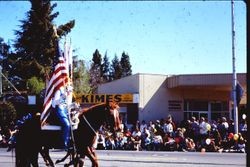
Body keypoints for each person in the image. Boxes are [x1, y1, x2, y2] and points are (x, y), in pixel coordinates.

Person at [52, 85, 71, 150]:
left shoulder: (68, 90)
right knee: (67, 125)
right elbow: (54, 103)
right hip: (59, 110)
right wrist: (62, 97)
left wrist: (74, 105)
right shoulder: (59, 90)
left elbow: (67, 104)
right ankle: (64, 143)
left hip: (66, 111)